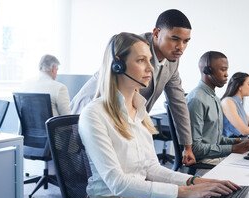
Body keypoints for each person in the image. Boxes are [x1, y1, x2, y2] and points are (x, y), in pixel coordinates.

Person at [78, 33, 241, 198]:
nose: (151, 67)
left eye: (149, 60)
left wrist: (195, 182)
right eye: (141, 60)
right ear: (117, 65)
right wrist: (184, 192)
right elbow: (117, 182)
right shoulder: (94, 114)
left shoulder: (139, 111)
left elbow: (151, 168)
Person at [72, 9, 196, 165]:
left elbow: (178, 101)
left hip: (124, 121)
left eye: (186, 41)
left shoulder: (172, 60)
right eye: (175, 39)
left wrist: (187, 145)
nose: (181, 47)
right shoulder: (135, 48)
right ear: (156, 33)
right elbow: (110, 87)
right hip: (94, 113)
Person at [186, 51, 249, 165]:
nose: (227, 74)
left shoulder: (214, 98)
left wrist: (241, 142)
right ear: (207, 71)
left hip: (215, 156)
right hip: (206, 161)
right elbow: (196, 149)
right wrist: (235, 148)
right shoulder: (197, 99)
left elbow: (215, 139)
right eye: (223, 70)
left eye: (227, 70)